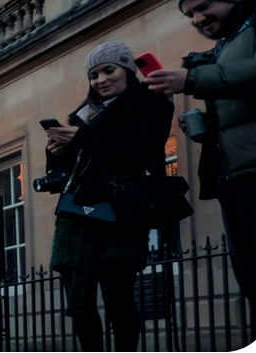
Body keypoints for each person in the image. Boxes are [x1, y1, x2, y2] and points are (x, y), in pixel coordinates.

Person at [147, 0, 256, 337]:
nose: (198, 19)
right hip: (237, 172)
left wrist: (193, 79)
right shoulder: (230, 41)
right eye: (189, 15)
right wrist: (205, 130)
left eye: (204, 7)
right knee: (254, 275)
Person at [48, 40, 173, 352]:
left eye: (108, 70)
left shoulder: (151, 104)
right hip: (75, 215)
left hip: (117, 212)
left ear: (128, 70)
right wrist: (56, 152)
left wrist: (84, 137)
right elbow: (65, 172)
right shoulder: (81, 114)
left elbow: (137, 155)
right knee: (79, 302)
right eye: (93, 75)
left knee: (119, 300)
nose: (100, 80)